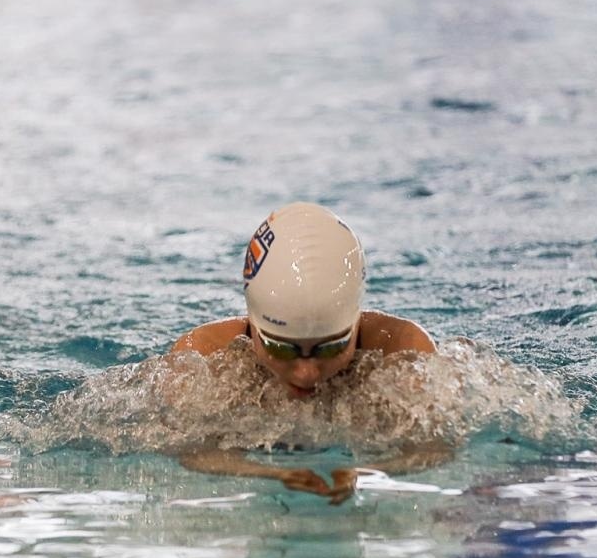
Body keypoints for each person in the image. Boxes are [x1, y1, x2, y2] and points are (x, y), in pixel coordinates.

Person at [169, 202, 444, 504]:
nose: (307, 373)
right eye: (281, 347)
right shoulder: (205, 357)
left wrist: (369, 473)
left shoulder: (403, 352)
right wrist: (271, 474)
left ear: (355, 323)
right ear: (253, 324)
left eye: (332, 346)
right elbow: (191, 451)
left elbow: (435, 446)